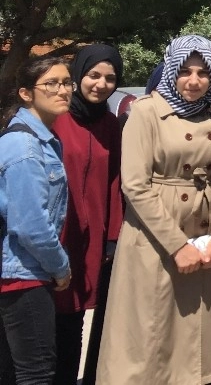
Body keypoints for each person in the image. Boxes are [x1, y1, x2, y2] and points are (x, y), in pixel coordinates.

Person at [97, 35, 211, 384]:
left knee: (199, 353)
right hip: (156, 240)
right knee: (150, 348)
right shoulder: (145, 112)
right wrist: (177, 245)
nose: (194, 81)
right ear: (171, 70)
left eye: (203, 73)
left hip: (206, 238)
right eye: (185, 71)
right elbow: (134, 185)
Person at [51, 45, 124, 385]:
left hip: (90, 240)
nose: (101, 84)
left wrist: (111, 238)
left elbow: (115, 182)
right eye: (94, 75)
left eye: (110, 78)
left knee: (74, 322)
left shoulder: (111, 124)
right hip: (52, 237)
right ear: (79, 74)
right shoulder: (55, 118)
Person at [0, 57, 73, 385]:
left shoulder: (36, 139)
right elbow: (31, 225)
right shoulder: (26, 146)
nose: (63, 90)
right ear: (26, 93)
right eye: (52, 84)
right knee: (36, 373)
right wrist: (61, 267)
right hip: (24, 275)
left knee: (16, 372)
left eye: (67, 82)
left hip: (19, 273)